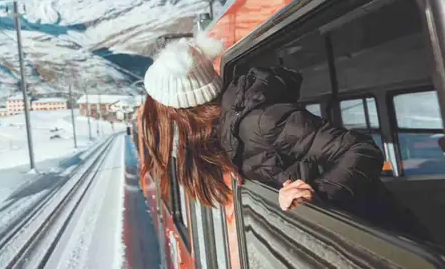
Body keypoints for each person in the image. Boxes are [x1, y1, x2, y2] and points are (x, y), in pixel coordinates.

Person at [137, 32, 428, 240]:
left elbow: (361, 149)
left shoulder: (260, 121)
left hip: (384, 234)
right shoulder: (229, 131)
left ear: (181, 112)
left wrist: (318, 194)